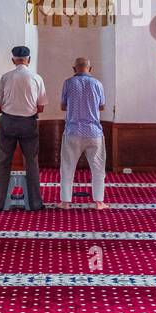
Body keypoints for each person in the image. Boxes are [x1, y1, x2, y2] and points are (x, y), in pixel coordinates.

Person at [0, 45, 47, 211]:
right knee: (31, 162)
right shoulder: (37, 78)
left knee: (3, 163)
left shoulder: (6, 77)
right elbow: (41, 107)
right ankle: (36, 203)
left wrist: (7, 109)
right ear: (29, 60)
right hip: (29, 123)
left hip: (7, 122)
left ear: (13, 60)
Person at [58, 57, 107, 209]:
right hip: (93, 132)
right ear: (90, 69)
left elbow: (62, 106)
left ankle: (65, 202)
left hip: (73, 131)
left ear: (74, 69)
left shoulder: (68, 83)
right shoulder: (97, 84)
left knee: (67, 167)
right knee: (98, 168)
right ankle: (99, 202)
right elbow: (102, 106)